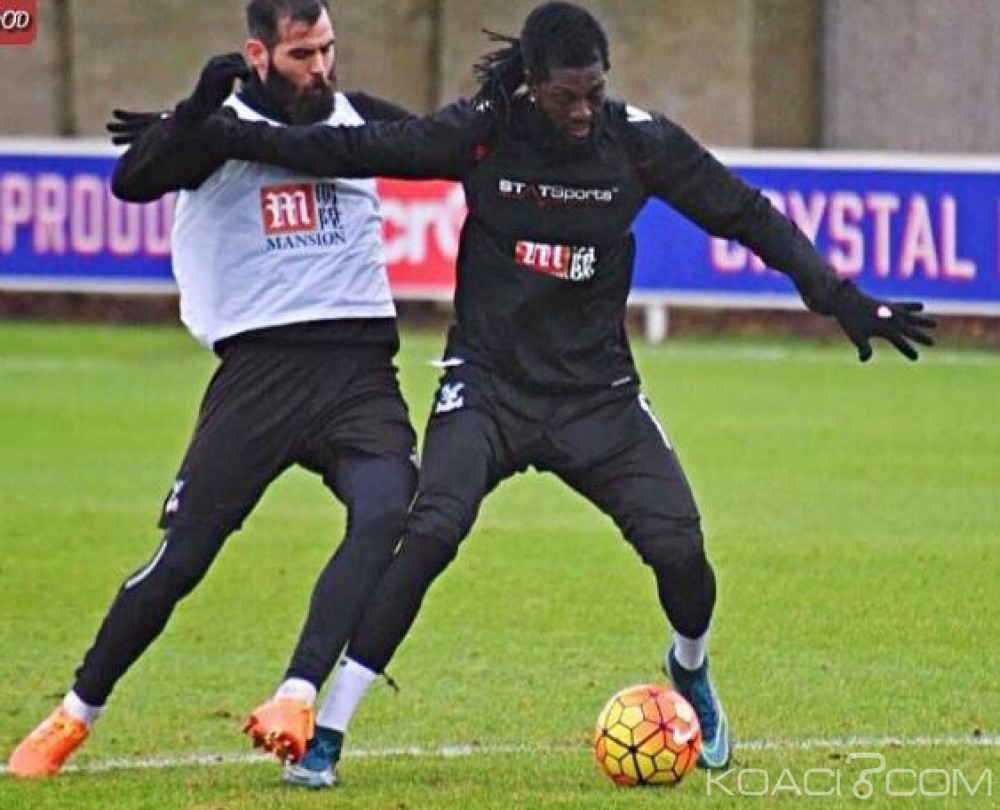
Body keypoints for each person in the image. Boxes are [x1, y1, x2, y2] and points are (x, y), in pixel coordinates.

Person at [157, 1, 938, 788]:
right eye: (567, 96)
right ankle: (329, 730)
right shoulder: (484, 133)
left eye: (594, 91)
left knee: (683, 554)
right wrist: (217, 132)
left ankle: (690, 666)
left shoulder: (637, 142)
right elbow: (358, 146)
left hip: (598, 397)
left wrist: (839, 297)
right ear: (532, 84)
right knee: (430, 532)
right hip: (487, 388)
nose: (583, 110)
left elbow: (747, 214)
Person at [8, 0, 420, 785]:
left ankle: (296, 698)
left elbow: (447, 146)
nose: (322, 68)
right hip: (259, 375)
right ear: (257, 54)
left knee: (387, 511)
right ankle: (74, 712)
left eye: (328, 49)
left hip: (361, 370)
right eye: (302, 54)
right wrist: (192, 112)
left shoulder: (358, 118)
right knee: (182, 558)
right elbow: (134, 179)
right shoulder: (219, 128)